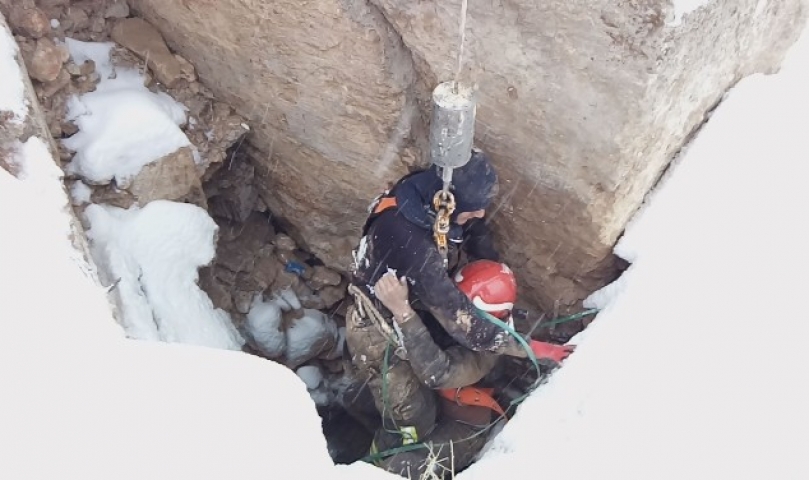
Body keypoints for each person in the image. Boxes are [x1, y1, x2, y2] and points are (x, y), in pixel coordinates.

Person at [345, 149, 573, 477]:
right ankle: (378, 463)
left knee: (412, 397)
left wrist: (490, 265)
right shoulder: (414, 247)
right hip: (376, 333)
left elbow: (473, 231)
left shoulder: (429, 196)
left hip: (405, 309)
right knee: (412, 420)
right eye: (472, 209)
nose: (480, 212)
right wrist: (530, 348)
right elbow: (459, 326)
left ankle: (370, 410)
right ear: (448, 203)